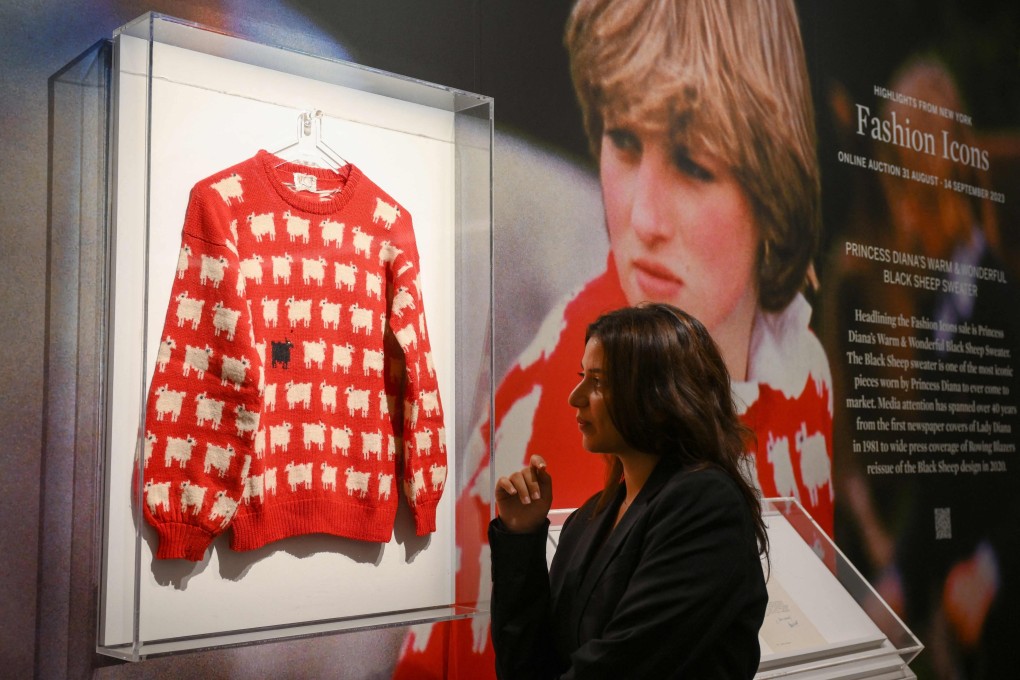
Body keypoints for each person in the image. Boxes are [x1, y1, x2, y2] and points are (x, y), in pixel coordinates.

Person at [394, 0, 828, 675]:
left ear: (771, 184)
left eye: (694, 165)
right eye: (623, 142)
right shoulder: (559, 403)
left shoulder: (801, 369)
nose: (643, 216)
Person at [489, 304, 768, 678]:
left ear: (661, 396)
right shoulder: (589, 519)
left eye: (599, 381)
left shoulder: (705, 503)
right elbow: (527, 666)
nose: (576, 396)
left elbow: (624, 666)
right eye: (582, 376)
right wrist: (520, 537)